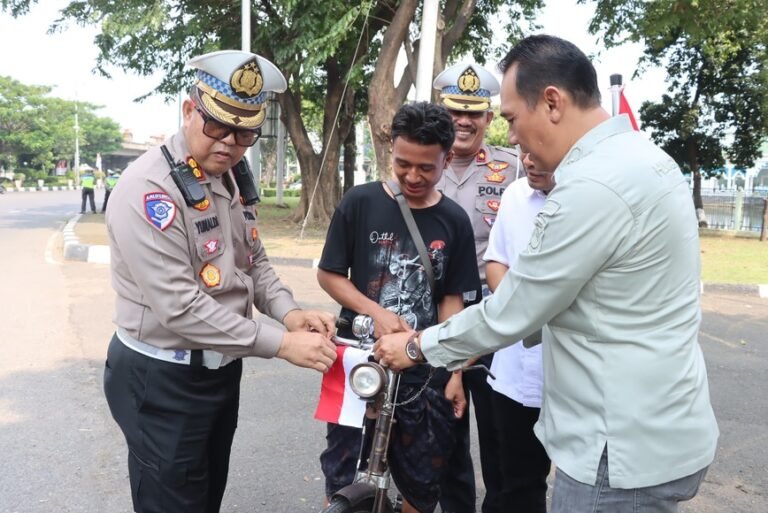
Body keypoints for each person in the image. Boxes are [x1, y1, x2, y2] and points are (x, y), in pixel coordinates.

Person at [374, 35, 719, 513]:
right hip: (658, 425)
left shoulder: (593, 186)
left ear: (552, 102)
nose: (511, 137)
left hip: (615, 447)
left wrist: (416, 347)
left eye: (513, 118)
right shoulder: (645, 160)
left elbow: (514, 309)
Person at [104, 50, 338, 513]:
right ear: (190, 110)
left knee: (204, 496)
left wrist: (291, 313)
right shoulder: (151, 191)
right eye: (217, 126)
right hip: (163, 378)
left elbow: (254, 262)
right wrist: (281, 343)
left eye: (246, 131)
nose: (230, 143)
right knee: (173, 501)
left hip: (218, 371)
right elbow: (181, 308)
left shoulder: (229, 176)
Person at [317, 101, 481, 513]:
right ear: (392, 150)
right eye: (403, 163)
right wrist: (374, 311)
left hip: (424, 373)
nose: (412, 176)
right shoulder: (360, 202)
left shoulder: (454, 220)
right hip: (359, 367)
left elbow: (451, 300)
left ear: (446, 157)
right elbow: (329, 274)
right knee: (343, 473)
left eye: (427, 167)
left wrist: (456, 371)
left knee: (421, 484)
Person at [432, 62, 519, 513]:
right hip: (438, 319)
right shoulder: (424, 167)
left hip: (494, 325)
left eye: (474, 112)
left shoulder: (514, 168)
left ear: (489, 118)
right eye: (454, 112)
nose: (463, 121)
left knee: (501, 436)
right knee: (444, 440)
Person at [483, 152, 553, 512]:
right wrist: (519, 308)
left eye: (539, 154)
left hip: (565, 378)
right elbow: (496, 260)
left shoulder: (589, 203)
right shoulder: (514, 195)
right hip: (511, 371)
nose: (528, 161)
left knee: (566, 484)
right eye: (524, 151)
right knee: (508, 484)